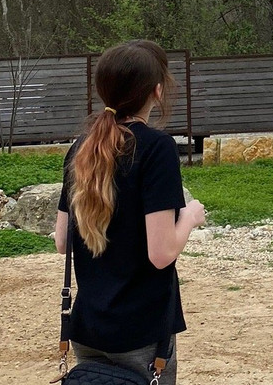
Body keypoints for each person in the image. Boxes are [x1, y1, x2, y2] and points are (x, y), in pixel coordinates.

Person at [55, 40, 206, 384]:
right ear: (156, 91)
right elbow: (161, 253)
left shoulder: (81, 148)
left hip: (87, 328)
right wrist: (190, 218)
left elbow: (63, 241)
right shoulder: (157, 149)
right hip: (141, 331)